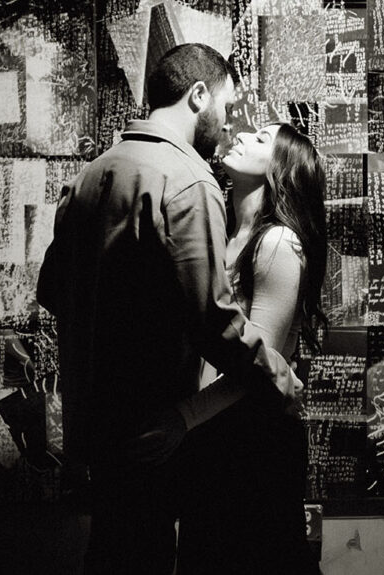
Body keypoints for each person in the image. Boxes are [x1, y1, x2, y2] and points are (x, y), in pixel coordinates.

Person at [36, 43, 301, 575]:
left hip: (97, 428)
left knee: (112, 556)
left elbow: (50, 290)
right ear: (198, 95)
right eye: (226, 109)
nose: (228, 125)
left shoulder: (89, 176)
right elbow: (213, 322)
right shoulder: (188, 181)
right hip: (153, 427)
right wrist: (278, 374)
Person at [172, 121, 327, 575]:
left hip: (255, 443)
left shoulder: (278, 242)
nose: (240, 136)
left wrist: (181, 420)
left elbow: (257, 372)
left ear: (279, 168)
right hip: (217, 433)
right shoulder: (222, 236)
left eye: (261, 139)